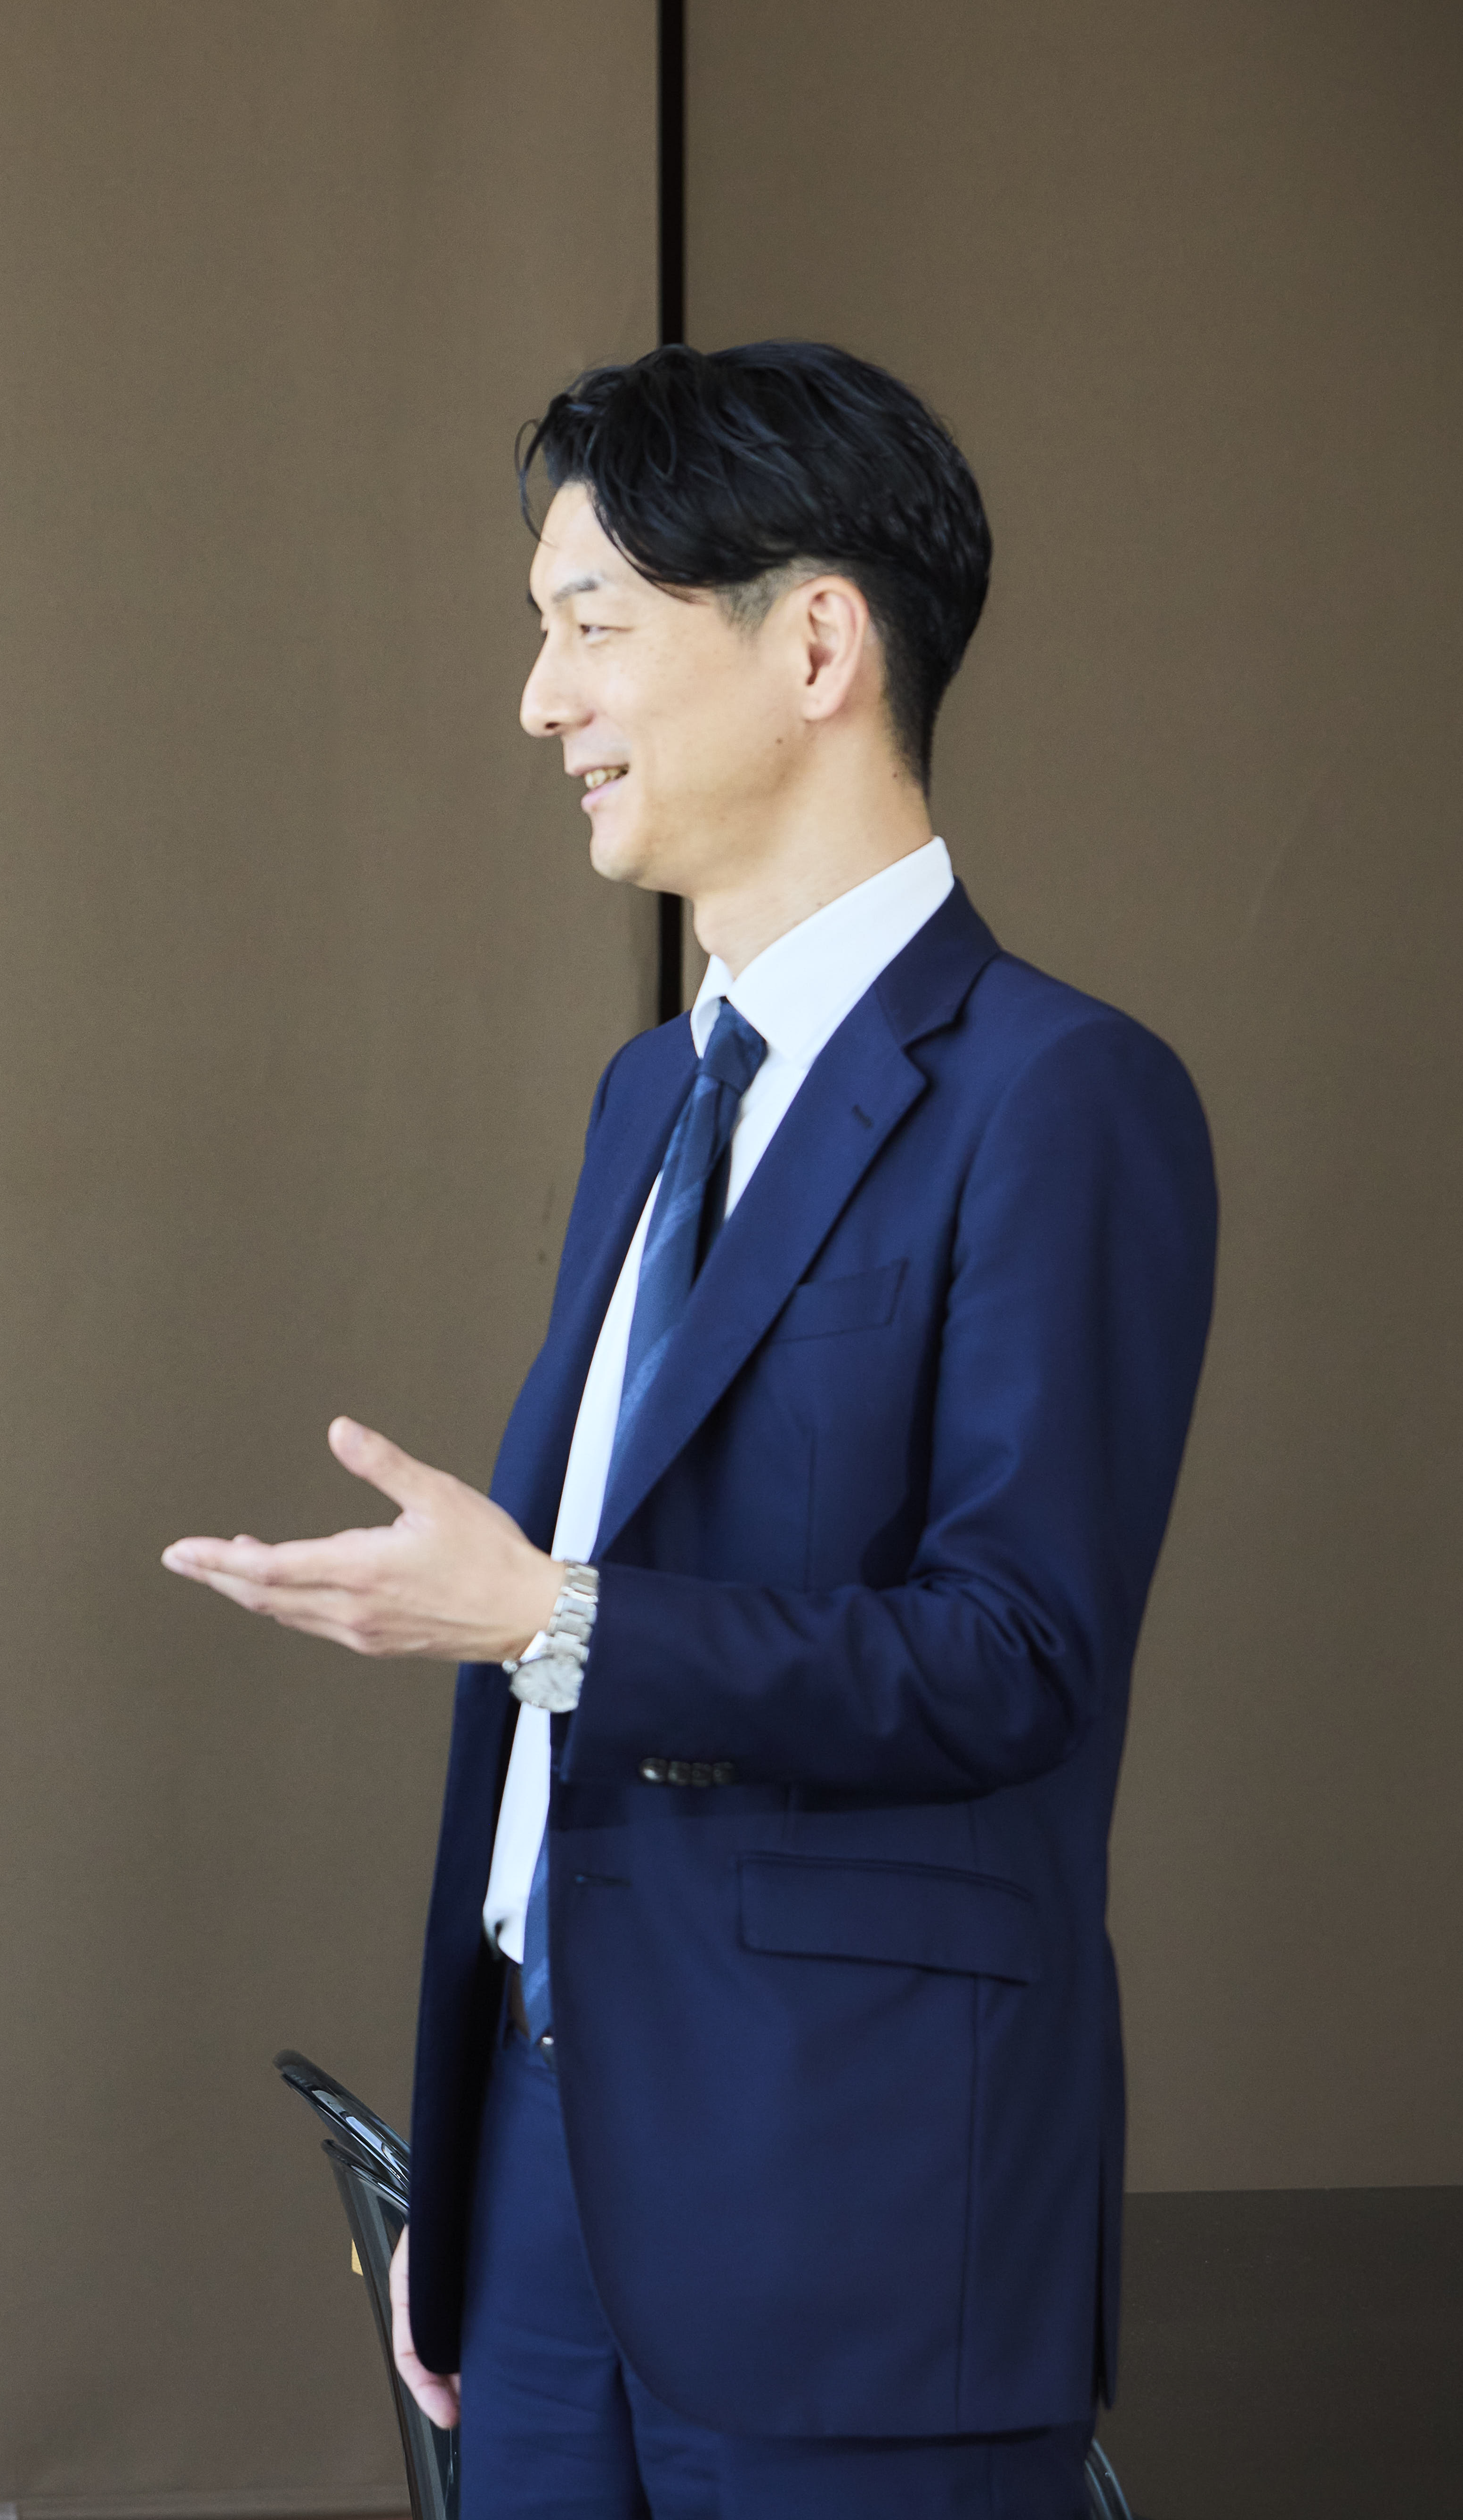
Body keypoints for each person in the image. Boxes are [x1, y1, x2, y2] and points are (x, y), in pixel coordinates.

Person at [166, 345, 1216, 2513]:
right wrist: (469, 2192)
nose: (542, 703)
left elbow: (1019, 1654)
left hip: (865, 2228)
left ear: (816, 640)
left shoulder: (1062, 1098)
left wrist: (549, 1613)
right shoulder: (655, 1093)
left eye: (591, 626)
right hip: (550, 2211)